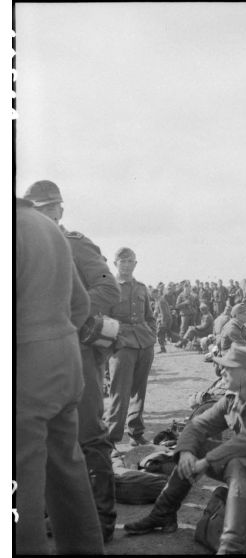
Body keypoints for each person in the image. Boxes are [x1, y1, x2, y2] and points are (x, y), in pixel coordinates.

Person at [123, 344, 246, 554]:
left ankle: (230, 546)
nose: (222, 372)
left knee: (237, 465)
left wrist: (207, 461)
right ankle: (163, 513)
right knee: (199, 448)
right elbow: (197, 425)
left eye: (229, 368)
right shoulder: (234, 397)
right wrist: (188, 452)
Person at [23, 179, 120, 541]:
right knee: (54, 447)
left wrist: (57, 316)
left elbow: (108, 288)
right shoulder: (40, 235)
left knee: (89, 436)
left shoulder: (74, 244)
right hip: (56, 349)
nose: (46, 214)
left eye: (51, 208)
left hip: (74, 350)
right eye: (40, 207)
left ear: (60, 209)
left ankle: (104, 520)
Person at [105, 247, 157, 448]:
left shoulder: (142, 287)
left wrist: (151, 334)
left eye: (130, 261)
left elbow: (150, 317)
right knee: (120, 391)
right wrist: (114, 341)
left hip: (144, 343)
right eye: (122, 261)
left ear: (135, 264)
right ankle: (112, 437)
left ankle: (136, 432)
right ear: (115, 263)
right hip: (122, 344)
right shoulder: (109, 287)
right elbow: (103, 318)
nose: (126, 265)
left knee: (139, 390)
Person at [153, 289, 172, 354]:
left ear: (156, 293)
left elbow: (164, 312)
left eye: (153, 294)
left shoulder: (161, 301)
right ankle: (163, 348)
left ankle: (163, 349)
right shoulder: (157, 300)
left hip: (163, 320)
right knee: (163, 334)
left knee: (160, 334)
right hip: (161, 320)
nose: (152, 295)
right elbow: (156, 311)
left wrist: (163, 322)